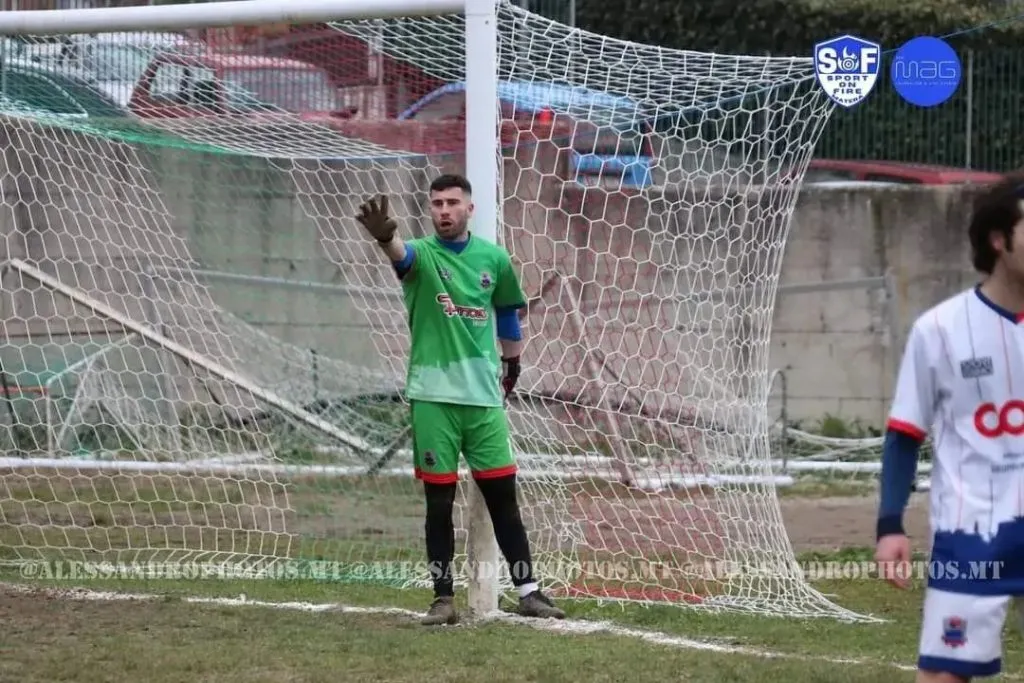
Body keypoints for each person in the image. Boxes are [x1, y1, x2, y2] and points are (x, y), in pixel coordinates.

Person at [355, 173, 566, 626]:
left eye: (452, 202)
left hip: (483, 401)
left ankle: (529, 591)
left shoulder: (494, 259)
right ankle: (443, 598)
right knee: (438, 502)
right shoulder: (422, 256)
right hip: (433, 398)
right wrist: (386, 237)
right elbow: (401, 256)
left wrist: (513, 366)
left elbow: (508, 313)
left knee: (503, 498)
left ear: (470, 209)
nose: (444, 210)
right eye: (436, 204)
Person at [875, 173, 1024, 681]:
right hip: (972, 533)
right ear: (999, 240)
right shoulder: (939, 330)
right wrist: (890, 525)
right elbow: (904, 434)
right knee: (943, 676)